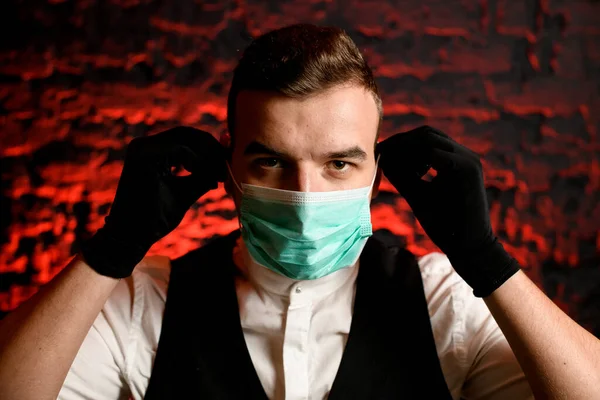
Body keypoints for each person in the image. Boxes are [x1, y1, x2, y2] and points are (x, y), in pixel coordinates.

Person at [0, 23, 598, 400]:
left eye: (339, 164)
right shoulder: (142, 303)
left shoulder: (445, 299)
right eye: (270, 163)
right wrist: (110, 252)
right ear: (227, 168)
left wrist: (486, 261)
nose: (306, 196)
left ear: (376, 170)